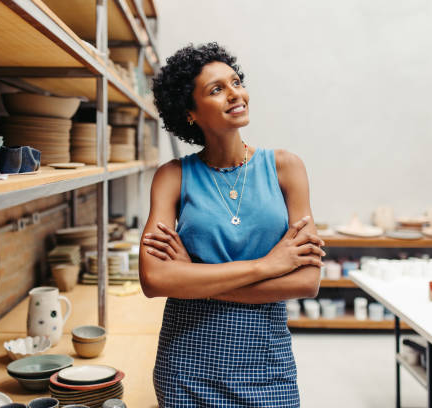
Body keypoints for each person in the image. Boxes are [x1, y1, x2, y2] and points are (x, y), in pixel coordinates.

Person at [139, 42, 325, 407]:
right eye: (217, 89)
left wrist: (191, 277)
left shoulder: (286, 167)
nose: (235, 94)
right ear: (190, 112)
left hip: (267, 364)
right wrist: (266, 266)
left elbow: (307, 280)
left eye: (235, 82)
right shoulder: (172, 177)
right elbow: (155, 280)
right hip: (187, 365)